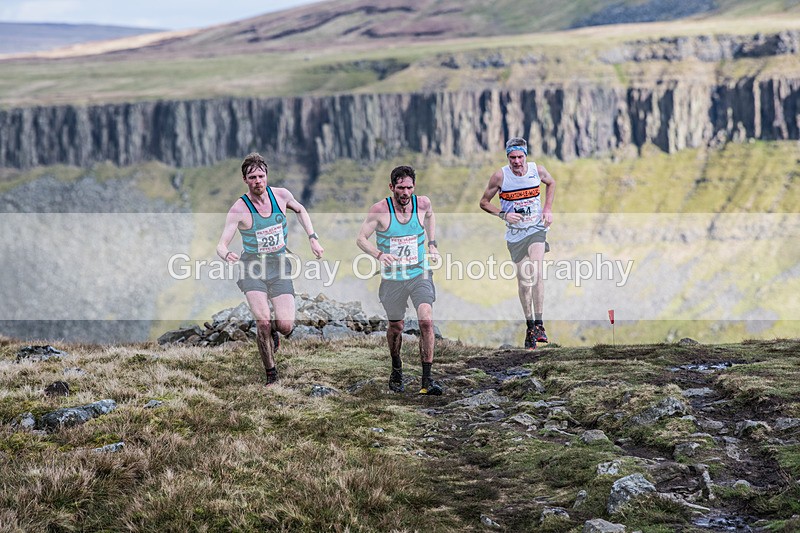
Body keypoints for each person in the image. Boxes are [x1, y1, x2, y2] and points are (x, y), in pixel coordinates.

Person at [217, 152, 324, 385]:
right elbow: (221, 244)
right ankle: (271, 374)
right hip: (252, 268)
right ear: (245, 180)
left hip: (279, 266)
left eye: (261, 176)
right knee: (263, 322)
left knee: (285, 326)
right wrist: (226, 254)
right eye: (252, 177)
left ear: (267, 175)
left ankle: (273, 332)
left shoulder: (282, 195)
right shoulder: (239, 209)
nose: (258, 181)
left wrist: (313, 238)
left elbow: (302, 210)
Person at [357, 165, 443, 395]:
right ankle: (396, 368)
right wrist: (379, 254)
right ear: (391, 187)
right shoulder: (380, 210)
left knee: (426, 320)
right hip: (393, 279)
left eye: (409, 188)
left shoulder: (422, 203)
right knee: (397, 326)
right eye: (401, 188)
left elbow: (430, 216)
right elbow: (361, 239)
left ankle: (427, 379)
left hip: (419, 273)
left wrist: (432, 244)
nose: (405, 193)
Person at [479, 137, 556, 350]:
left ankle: (540, 324)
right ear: (508, 158)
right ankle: (530, 325)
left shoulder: (536, 171)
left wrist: (547, 208)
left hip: (536, 230)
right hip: (515, 236)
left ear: (525, 156)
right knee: (524, 280)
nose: (517, 162)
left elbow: (551, 183)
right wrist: (504, 215)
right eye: (512, 158)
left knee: (537, 270)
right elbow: (484, 202)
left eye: (520, 157)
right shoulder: (500, 176)